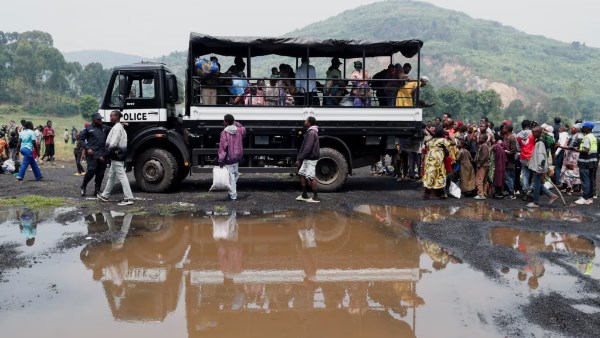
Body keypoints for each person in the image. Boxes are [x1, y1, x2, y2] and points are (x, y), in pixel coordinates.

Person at [96, 111, 134, 206]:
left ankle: (128, 198)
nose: (110, 117)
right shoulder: (119, 126)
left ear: (116, 116)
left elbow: (113, 143)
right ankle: (105, 195)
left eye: (111, 116)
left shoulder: (117, 128)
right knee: (112, 175)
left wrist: (105, 153)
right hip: (117, 154)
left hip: (116, 154)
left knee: (122, 176)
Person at [80, 113, 110, 197]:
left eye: (101, 119)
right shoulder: (88, 128)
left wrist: (122, 124)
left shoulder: (104, 127)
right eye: (99, 119)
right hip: (92, 154)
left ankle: (97, 190)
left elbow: (114, 129)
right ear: (94, 120)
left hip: (103, 154)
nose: (101, 120)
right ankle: (83, 185)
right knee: (91, 171)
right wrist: (87, 148)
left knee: (100, 173)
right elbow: (81, 139)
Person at [527, 127, 558, 208]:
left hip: (538, 168)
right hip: (537, 167)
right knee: (538, 184)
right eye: (532, 133)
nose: (533, 134)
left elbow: (541, 157)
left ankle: (536, 202)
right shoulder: (539, 141)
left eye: (535, 133)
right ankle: (552, 195)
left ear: (540, 133)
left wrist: (539, 169)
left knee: (536, 185)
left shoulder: (540, 142)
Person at [217, 114, 246, 201]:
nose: (223, 122)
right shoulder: (239, 130)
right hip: (237, 157)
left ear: (226, 122)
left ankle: (233, 196)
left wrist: (221, 160)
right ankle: (231, 193)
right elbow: (243, 128)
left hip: (229, 159)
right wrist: (235, 122)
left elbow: (223, 148)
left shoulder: (224, 133)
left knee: (231, 178)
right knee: (235, 175)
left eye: (224, 120)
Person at [423, 127, 453, 199]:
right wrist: (449, 136)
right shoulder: (442, 140)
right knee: (440, 175)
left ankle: (427, 194)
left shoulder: (430, 141)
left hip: (428, 161)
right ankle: (441, 194)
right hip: (437, 161)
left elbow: (426, 147)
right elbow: (453, 143)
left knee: (429, 175)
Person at [295, 116, 320, 202]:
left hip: (311, 158)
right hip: (307, 158)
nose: (304, 122)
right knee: (301, 174)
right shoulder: (310, 132)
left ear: (309, 123)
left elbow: (308, 148)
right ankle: (304, 195)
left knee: (311, 177)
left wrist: (300, 158)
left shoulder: (312, 133)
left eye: (306, 121)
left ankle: (315, 197)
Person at [573, 122, 597, 205]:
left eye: (583, 127)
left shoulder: (586, 137)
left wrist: (576, 150)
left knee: (585, 180)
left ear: (588, 128)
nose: (582, 128)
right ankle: (590, 197)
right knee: (590, 180)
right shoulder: (593, 137)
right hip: (592, 162)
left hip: (585, 162)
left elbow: (586, 150)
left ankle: (585, 197)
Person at [474, 134, 490, 200]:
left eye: (479, 138)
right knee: (484, 180)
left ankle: (480, 194)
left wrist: (479, 164)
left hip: (483, 165)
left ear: (483, 139)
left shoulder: (484, 146)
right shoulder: (483, 145)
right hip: (486, 165)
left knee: (479, 180)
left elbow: (484, 156)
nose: (478, 139)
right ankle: (484, 193)